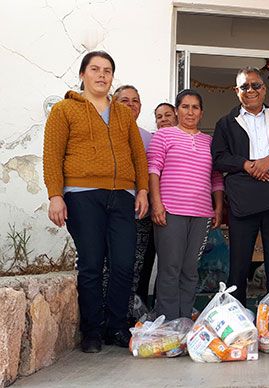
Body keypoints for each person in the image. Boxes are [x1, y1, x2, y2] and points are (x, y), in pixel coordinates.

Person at [43, 51, 149, 353]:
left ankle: (116, 328)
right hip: (82, 195)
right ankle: (91, 331)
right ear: (82, 75)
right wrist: (55, 195)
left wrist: (142, 190)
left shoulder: (122, 113)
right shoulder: (64, 110)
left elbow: (137, 155)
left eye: (107, 70)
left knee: (124, 264)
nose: (102, 75)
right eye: (95, 69)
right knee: (91, 264)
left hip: (122, 196)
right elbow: (52, 154)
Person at [211, 67, 269, 306]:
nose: (251, 90)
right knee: (239, 262)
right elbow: (218, 157)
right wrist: (248, 165)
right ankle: (236, 315)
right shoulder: (225, 124)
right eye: (245, 86)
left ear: (264, 89)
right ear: (236, 91)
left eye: (256, 85)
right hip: (243, 201)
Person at [148, 89, 224, 320]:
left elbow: (217, 178)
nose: (190, 111)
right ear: (177, 110)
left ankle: (183, 321)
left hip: (201, 214)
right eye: (185, 106)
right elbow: (153, 171)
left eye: (195, 107)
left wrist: (218, 207)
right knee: (170, 268)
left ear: (201, 113)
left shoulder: (210, 142)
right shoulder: (164, 136)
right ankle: (168, 321)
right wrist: (157, 205)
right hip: (170, 211)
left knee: (190, 270)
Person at [113, 85, 155, 309]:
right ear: (113, 103)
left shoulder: (149, 138)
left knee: (137, 266)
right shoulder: (107, 134)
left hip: (141, 211)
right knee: (110, 265)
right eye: (124, 101)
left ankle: (132, 312)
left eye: (135, 101)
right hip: (111, 209)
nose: (131, 105)